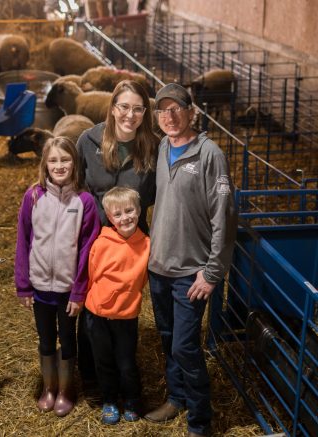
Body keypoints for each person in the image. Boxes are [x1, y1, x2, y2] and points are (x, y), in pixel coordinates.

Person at [144, 83, 237, 437]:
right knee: (168, 339)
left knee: (185, 345)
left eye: (176, 108)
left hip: (191, 272)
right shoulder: (162, 146)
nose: (169, 116)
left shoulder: (210, 154)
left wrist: (213, 273)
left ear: (191, 111)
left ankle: (200, 420)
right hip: (159, 267)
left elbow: (224, 216)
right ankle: (176, 397)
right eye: (162, 110)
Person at [76, 79, 160, 383]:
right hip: (94, 240)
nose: (130, 114)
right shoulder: (88, 140)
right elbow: (76, 187)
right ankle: (90, 376)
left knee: (124, 306)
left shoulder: (154, 146)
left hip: (132, 244)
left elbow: (158, 195)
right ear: (113, 108)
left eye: (138, 109)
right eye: (124, 106)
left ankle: (124, 374)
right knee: (90, 305)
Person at [14, 136, 100, 417]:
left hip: (67, 289)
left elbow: (88, 249)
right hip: (39, 287)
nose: (59, 165)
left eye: (65, 159)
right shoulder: (34, 197)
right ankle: (49, 388)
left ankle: (66, 389)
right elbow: (23, 240)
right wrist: (23, 285)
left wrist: (79, 291)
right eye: (53, 160)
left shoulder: (84, 201)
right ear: (45, 164)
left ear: (74, 163)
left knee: (68, 337)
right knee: (46, 338)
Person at [85, 186, 150, 425]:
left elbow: (142, 279)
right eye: (118, 214)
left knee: (126, 362)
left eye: (130, 210)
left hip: (126, 316)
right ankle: (110, 400)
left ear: (139, 210)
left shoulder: (146, 245)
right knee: (104, 361)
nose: (125, 217)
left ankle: (132, 401)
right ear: (110, 217)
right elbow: (92, 274)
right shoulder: (102, 243)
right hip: (98, 314)